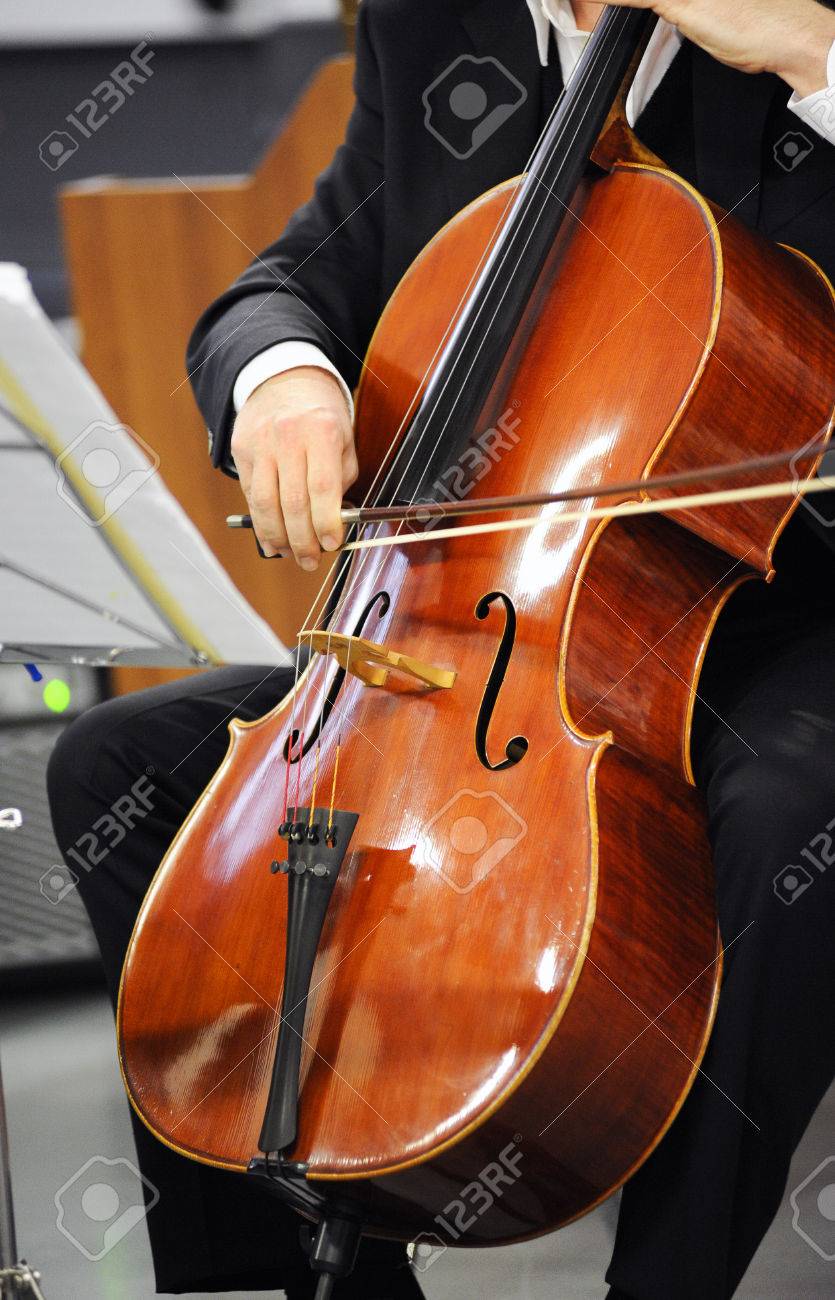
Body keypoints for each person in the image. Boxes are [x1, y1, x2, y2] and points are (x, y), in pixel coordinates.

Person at [48, 2, 835, 1296]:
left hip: (772, 609)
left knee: (795, 807)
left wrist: (813, 59)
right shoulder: (440, 22)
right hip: (491, 634)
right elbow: (294, 275)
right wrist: (286, 376)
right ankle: (304, 1289)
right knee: (115, 767)